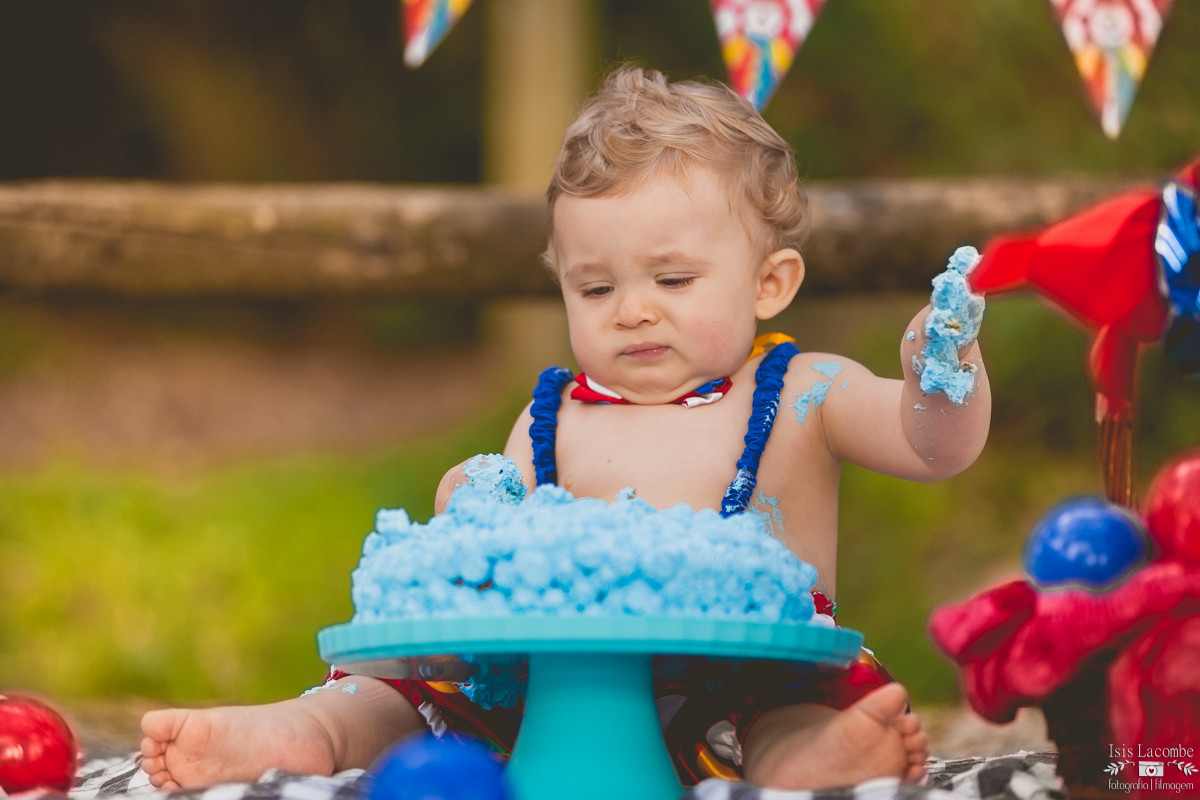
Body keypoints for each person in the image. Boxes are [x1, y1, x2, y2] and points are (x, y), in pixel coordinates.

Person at [140, 63, 990, 792]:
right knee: (400, 691)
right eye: (595, 288)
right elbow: (486, 541)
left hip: (747, 681)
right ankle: (305, 734)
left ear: (770, 283)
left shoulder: (806, 390)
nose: (634, 311)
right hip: (553, 692)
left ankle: (811, 761)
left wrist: (939, 376)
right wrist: (469, 501)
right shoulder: (554, 413)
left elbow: (931, 445)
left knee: (788, 710)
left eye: (674, 278)